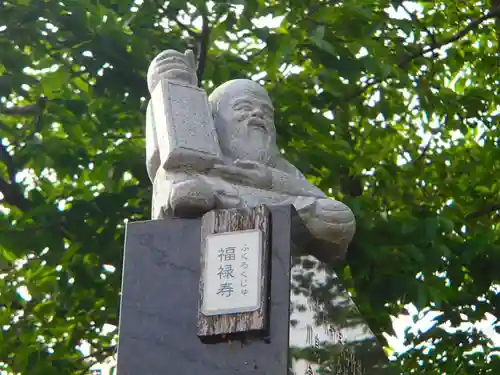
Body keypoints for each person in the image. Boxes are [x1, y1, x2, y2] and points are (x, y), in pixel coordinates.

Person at [147, 50, 355, 258]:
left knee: (338, 216)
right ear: (213, 120)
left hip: (246, 204)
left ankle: (238, 207)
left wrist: (270, 179)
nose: (257, 114)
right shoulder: (198, 155)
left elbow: (317, 198)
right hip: (208, 195)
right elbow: (170, 171)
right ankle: (274, 216)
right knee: (186, 187)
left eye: (266, 112)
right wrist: (168, 83)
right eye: (244, 107)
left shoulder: (277, 167)